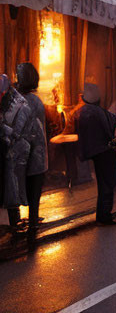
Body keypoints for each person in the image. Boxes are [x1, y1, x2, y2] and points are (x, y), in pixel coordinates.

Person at [75, 82, 116, 225]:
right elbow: (109, 128)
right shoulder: (96, 112)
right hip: (104, 151)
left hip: (95, 151)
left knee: (103, 183)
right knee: (107, 183)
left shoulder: (84, 112)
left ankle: (102, 215)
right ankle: (104, 215)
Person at [15, 63, 47, 236]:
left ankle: (17, 223)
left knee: (15, 190)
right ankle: (33, 222)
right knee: (34, 193)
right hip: (37, 155)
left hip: (21, 154)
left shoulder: (17, 101)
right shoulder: (36, 101)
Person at [1, 73, 32, 234]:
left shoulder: (19, 105)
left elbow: (17, 132)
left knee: (12, 186)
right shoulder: (10, 101)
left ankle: (15, 221)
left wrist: (7, 133)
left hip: (11, 149)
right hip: (7, 148)